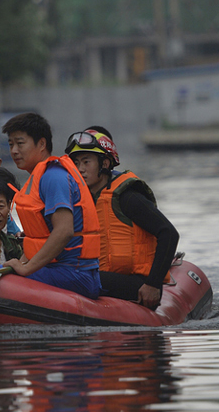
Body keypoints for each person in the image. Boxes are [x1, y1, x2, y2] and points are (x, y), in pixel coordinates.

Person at [66, 126, 179, 310]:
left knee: (79, 277)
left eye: (86, 162)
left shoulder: (127, 197)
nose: (80, 169)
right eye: (76, 163)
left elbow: (169, 233)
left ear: (104, 163)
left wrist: (153, 284)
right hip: (104, 276)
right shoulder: (82, 200)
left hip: (138, 282)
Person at [0, 112, 101, 299]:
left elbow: (64, 231)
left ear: (42, 144)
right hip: (61, 270)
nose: (13, 150)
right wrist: (21, 264)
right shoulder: (39, 177)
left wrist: (26, 268)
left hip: (75, 274)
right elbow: (39, 240)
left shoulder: (53, 177)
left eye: (20, 143)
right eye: (11, 144)